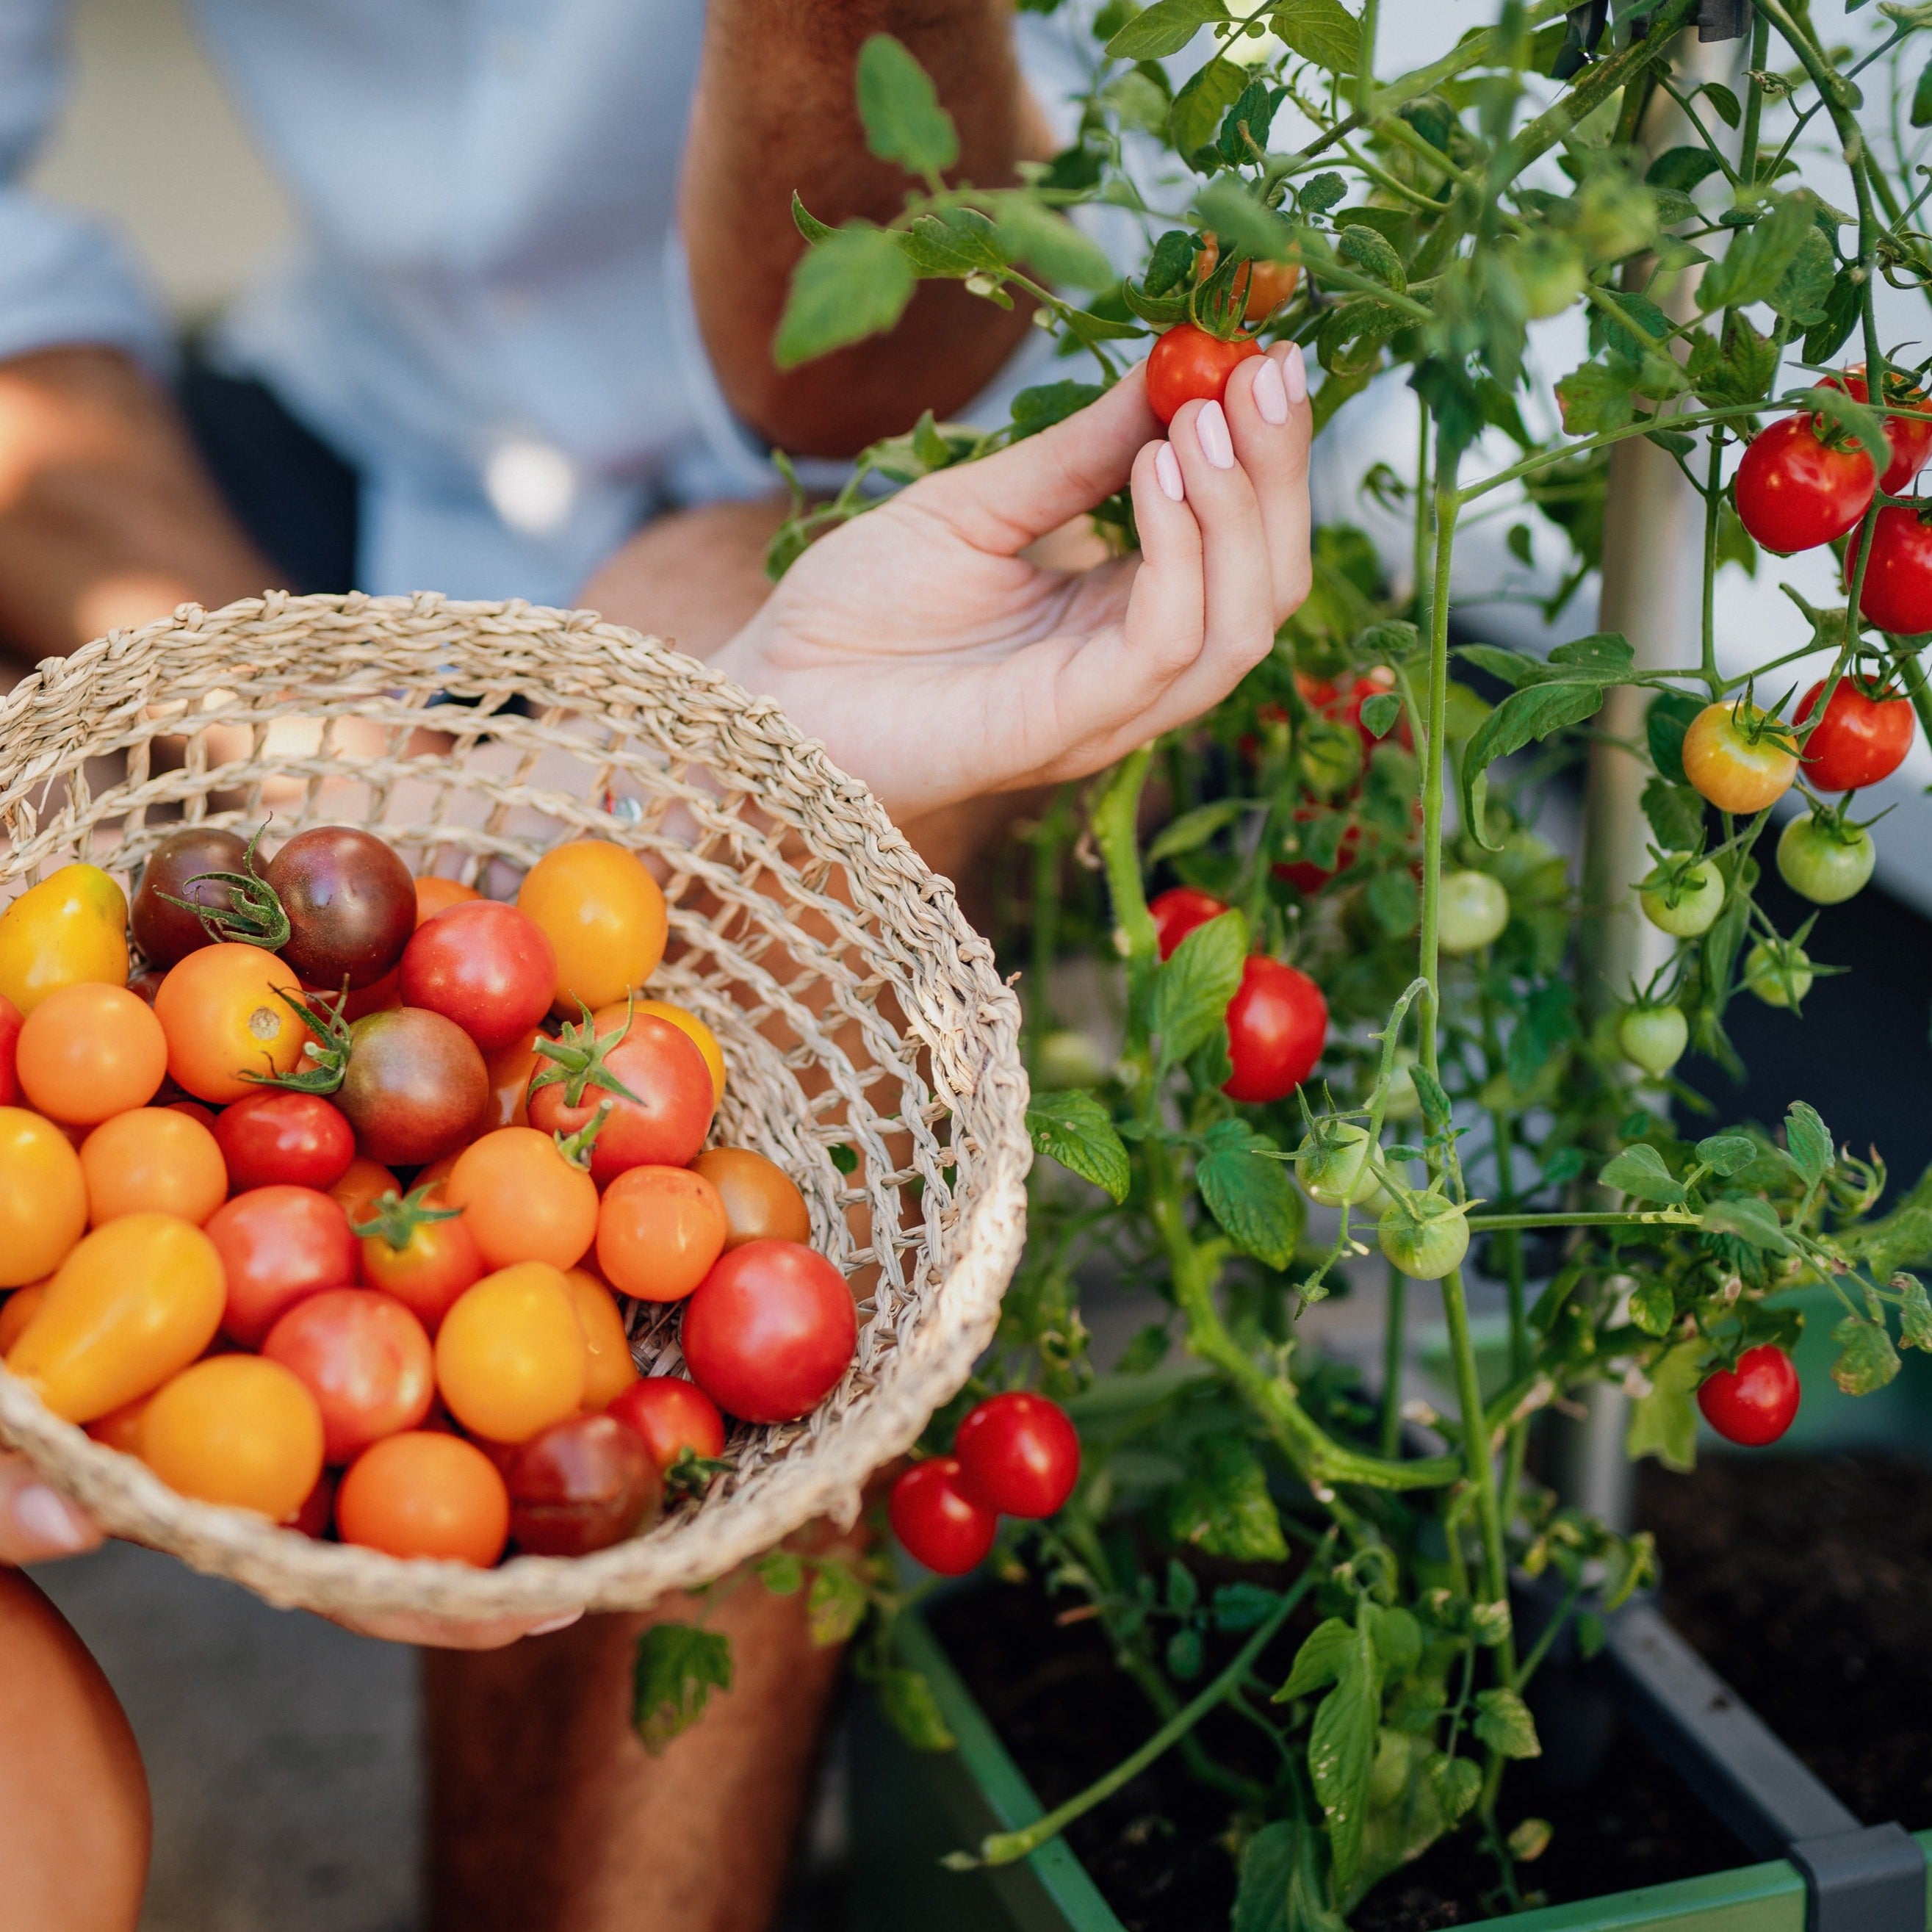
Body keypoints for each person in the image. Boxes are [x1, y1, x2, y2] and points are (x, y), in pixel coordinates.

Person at [0, 1, 1314, 1924]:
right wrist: (273, 719)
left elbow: (876, 364)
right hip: (375, 421)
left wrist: (710, 751)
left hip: (922, 457)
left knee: (770, 886)